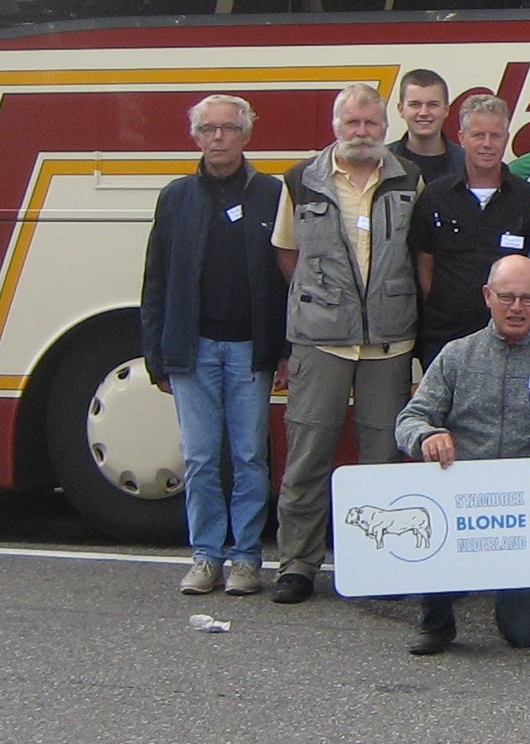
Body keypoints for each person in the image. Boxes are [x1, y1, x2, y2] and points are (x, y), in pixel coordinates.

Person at [392, 256, 530, 654]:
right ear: (488, 297)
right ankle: (435, 618)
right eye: (506, 297)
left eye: (527, 299)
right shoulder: (457, 356)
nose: (516, 308)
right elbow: (410, 418)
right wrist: (427, 436)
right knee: (429, 531)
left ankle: (522, 599)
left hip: (525, 512)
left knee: (522, 635)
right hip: (459, 503)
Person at [269, 82, 420, 605]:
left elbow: (418, 256)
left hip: (389, 340)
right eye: (352, 123)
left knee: (382, 456)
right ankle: (297, 564)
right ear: (336, 127)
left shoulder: (409, 179)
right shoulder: (300, 180)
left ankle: (375, 564)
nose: (362, 133)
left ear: (385, 128)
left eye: (371, 124)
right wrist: (327, 300)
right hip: (321, 340)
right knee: (309, 453)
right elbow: (288, 255)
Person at [141, 93, 288, 597]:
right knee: (201, 457)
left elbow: (287, 279)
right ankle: (205, 557)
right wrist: (156, 353)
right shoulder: (176, 198)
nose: (219, 138)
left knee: (249, 456)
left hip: (251, 350)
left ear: (247, 136)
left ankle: (246, 558)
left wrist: (286, 348)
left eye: (228, 129)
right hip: (193, 348)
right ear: (196, 137)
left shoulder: (272, 193)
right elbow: (155, 280)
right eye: (209, 129)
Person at [410, 94, 530, 362]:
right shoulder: (434, 197)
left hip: (514, 340)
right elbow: (424, 266)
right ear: (461, 138)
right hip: (446, 339)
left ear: (506, 138)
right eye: (478, 135)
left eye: (495, 136)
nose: (487, 144)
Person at [389, 68, 463, 187]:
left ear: (446, 110)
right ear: (401, 109)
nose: (424, 112)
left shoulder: (466, 164)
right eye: (415, 105)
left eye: (433, 105)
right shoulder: (382, 163)